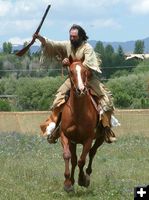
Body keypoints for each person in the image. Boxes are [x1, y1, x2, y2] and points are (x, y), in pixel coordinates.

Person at [33, 24, 120, 144]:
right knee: (58, 101)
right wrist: (40, 38)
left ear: (80, 36)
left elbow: (88, 66)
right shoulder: (67, 45)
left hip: (88, 78)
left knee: (106, 101)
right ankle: (55, 131)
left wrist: (70, 64)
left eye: (74, 36)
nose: (72, 38)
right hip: (72, 79)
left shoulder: (87, 48)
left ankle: (106, 130)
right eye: (71, 36)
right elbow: (52, 44)